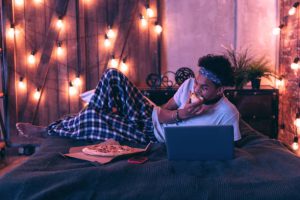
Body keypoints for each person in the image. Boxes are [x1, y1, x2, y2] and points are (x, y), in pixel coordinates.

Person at [16, 54, 241, 144]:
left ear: (220, 89)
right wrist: (179, 114)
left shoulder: (228, 114)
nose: (197, 89)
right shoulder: (188, 85)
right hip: (150, 116)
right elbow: (163, 111)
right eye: (197, 83)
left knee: (94, 118)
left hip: (151, 138)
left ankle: (47, 131)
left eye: (205, 88)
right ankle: (109, 113)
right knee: (112, 75)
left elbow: (230, 147)